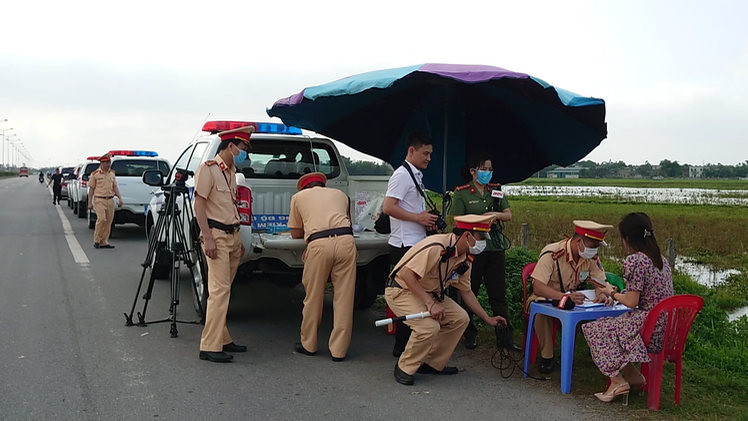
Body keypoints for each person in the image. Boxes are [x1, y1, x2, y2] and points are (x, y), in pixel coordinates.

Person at [385, 214, 506, 386]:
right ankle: (405, 367)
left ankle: (430, 363)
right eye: (480, 238)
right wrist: (430, 304)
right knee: (428, 327)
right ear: (466, 235)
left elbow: (466, 291)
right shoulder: (436, 246)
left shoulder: (465, 256)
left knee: (460, 318)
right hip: (401, 290)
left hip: (429, 293)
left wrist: (487, 318)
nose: (482, 243)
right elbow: (407, 275)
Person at [582, 212, 674, 404]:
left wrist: (610, 292)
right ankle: (632, 376)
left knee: (594, 328)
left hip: (649, 324)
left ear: (627, 239)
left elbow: (632, 302)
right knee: (610, 326)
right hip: (666, 327)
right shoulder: (661, 260)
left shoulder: (636, 261)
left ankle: (617, 382)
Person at [193, 126, 253, 363]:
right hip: (216, 235)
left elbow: (232, 205)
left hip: (232, 235)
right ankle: (209, 346)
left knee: (224, 290)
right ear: (231, 146)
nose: (244, 152)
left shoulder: (230, 171)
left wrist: (237, 239)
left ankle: (223, 337)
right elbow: (199, 206)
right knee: (219, 291)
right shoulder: (207, 170)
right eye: (243, 148)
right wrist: (207, 237)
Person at [527, 220, 614, 374]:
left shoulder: (590, 257)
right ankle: (547, 357)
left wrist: (601, 293)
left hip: (574, 302)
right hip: (546, 298)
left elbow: (600, 281)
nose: (594, 252)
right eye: (592, 247)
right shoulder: (552, 254)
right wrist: (564, 297)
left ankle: (600, 354)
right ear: (579, 241)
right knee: (541, 314)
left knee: (605, 309)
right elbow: (538, 287)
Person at [449, 152, 517, 351]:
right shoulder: (461, 193)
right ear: (473, 171)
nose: (487, 173)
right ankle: (468, 333)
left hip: (494, 246)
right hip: (473, 247)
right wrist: (480, 221)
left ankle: (505, 337)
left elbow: (508, 215)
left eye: (490, 169)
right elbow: (457, 221)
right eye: (483, 169)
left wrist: (493, 215)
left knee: (499, 294)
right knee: (470, 290)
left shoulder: (495, 190)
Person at [288, 172, 357, 361]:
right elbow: (349, 222)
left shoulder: (298, 197)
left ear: (304, 187)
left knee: (314, 297)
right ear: (323, 185)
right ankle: (339, 350)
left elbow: (295, 233)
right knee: (344, 298)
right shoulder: (341, 195)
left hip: (318, 245)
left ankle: (308, 344)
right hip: (345, 242)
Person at [382, 131, 438, 357]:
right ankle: (404, 349)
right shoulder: (402, 175)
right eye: (425, 153)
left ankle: (406, 347)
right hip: (405, 245)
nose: (429, 158)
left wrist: (425, 219)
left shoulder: (414, 175)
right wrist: (418, 218)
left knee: (415, 299)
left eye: (431, 154)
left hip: (415, 242)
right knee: (411, 300)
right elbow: (388, 207)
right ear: (411, 151)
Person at [87, 154, 123, 249]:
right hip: (99, 199)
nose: (108, 164)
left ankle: (104, 241)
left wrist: (120, 198)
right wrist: (89, 202)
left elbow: (114, 186)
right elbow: (91, 189)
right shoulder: (95, 174)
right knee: (101, 219)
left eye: (109, 162)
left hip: (110, 199)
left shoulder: (112, 173)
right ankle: (97, 240)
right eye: (106, 162)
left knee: (108, 221)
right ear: (102, 163)